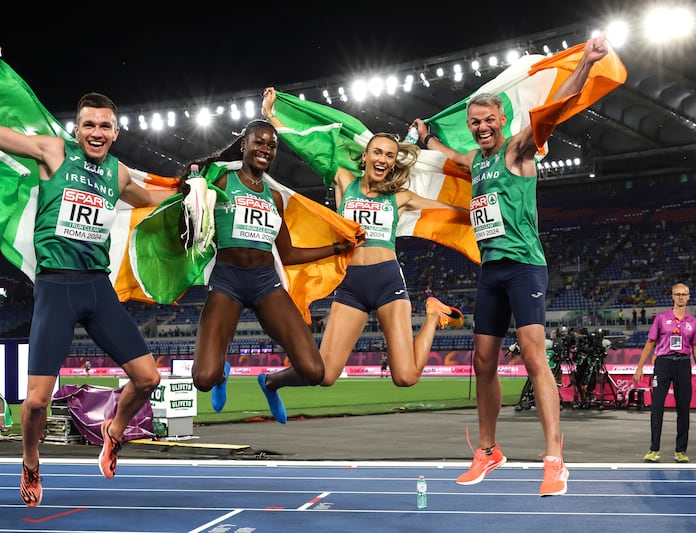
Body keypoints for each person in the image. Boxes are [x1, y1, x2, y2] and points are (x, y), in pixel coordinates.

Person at [0, 43, 179, 508]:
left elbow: (149, 199)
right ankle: (29, 460)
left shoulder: (119, 174)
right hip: (55, 289)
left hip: (96, 288)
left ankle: (114, 429)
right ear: (77, 127)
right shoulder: (52, 152)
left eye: (105, 125)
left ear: (116, 131)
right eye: (89, 124)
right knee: (37, 403)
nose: (97, 132)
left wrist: (194, 193)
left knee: (147, 380)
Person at [413, 34, 611, 496]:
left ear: (503, 118)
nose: (482, 127)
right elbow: (450, 154)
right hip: (491, 272)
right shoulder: (476, 161)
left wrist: (583, 63)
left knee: (534, 358)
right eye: (475, 122)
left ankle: (555, 459)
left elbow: (555, 109)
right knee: (482, 361)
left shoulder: (519, 149)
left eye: (488, 120)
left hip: (524, 267)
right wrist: (426, 138)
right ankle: (487, 450)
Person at [258, 89, 466, 419]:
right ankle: (270, 381)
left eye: (389, 155)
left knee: (406, 377)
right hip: (352, 285)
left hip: (387, 284)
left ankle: (432, 313)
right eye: (378, 153)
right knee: (324, 375)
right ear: (365, 156)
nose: (383, 159)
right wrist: (273, 117)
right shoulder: (344, 182)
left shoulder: (401, 197)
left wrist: (483, 208)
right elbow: (310, 148)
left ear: (393, 162)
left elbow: (448, 210)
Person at [186, 119, 357, 422]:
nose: (265, 149)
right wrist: (193, 191)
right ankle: (221, 374)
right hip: (227, 281)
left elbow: (288, 253)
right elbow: (193, 214)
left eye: (272, 146)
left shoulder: (274, 197)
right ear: (244, 145)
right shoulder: (223, 181)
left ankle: (271, 382)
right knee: (203, 378)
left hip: (266, 283)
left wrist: (336, 249)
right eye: (259, 142)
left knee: (314, 370)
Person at [633, 282, 695, 463]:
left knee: (683, 409)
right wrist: (640, 366)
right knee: (657, 407)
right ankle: (654, 449)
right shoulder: (661, 318)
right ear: (672, 296)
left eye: (684, 294)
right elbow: (650, 343)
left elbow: (695, 347)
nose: (681, 297)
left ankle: (681, 451)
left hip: (683, 364)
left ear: (689, 297)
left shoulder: (693, 322)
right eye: (678, 294)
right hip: (663, 364)